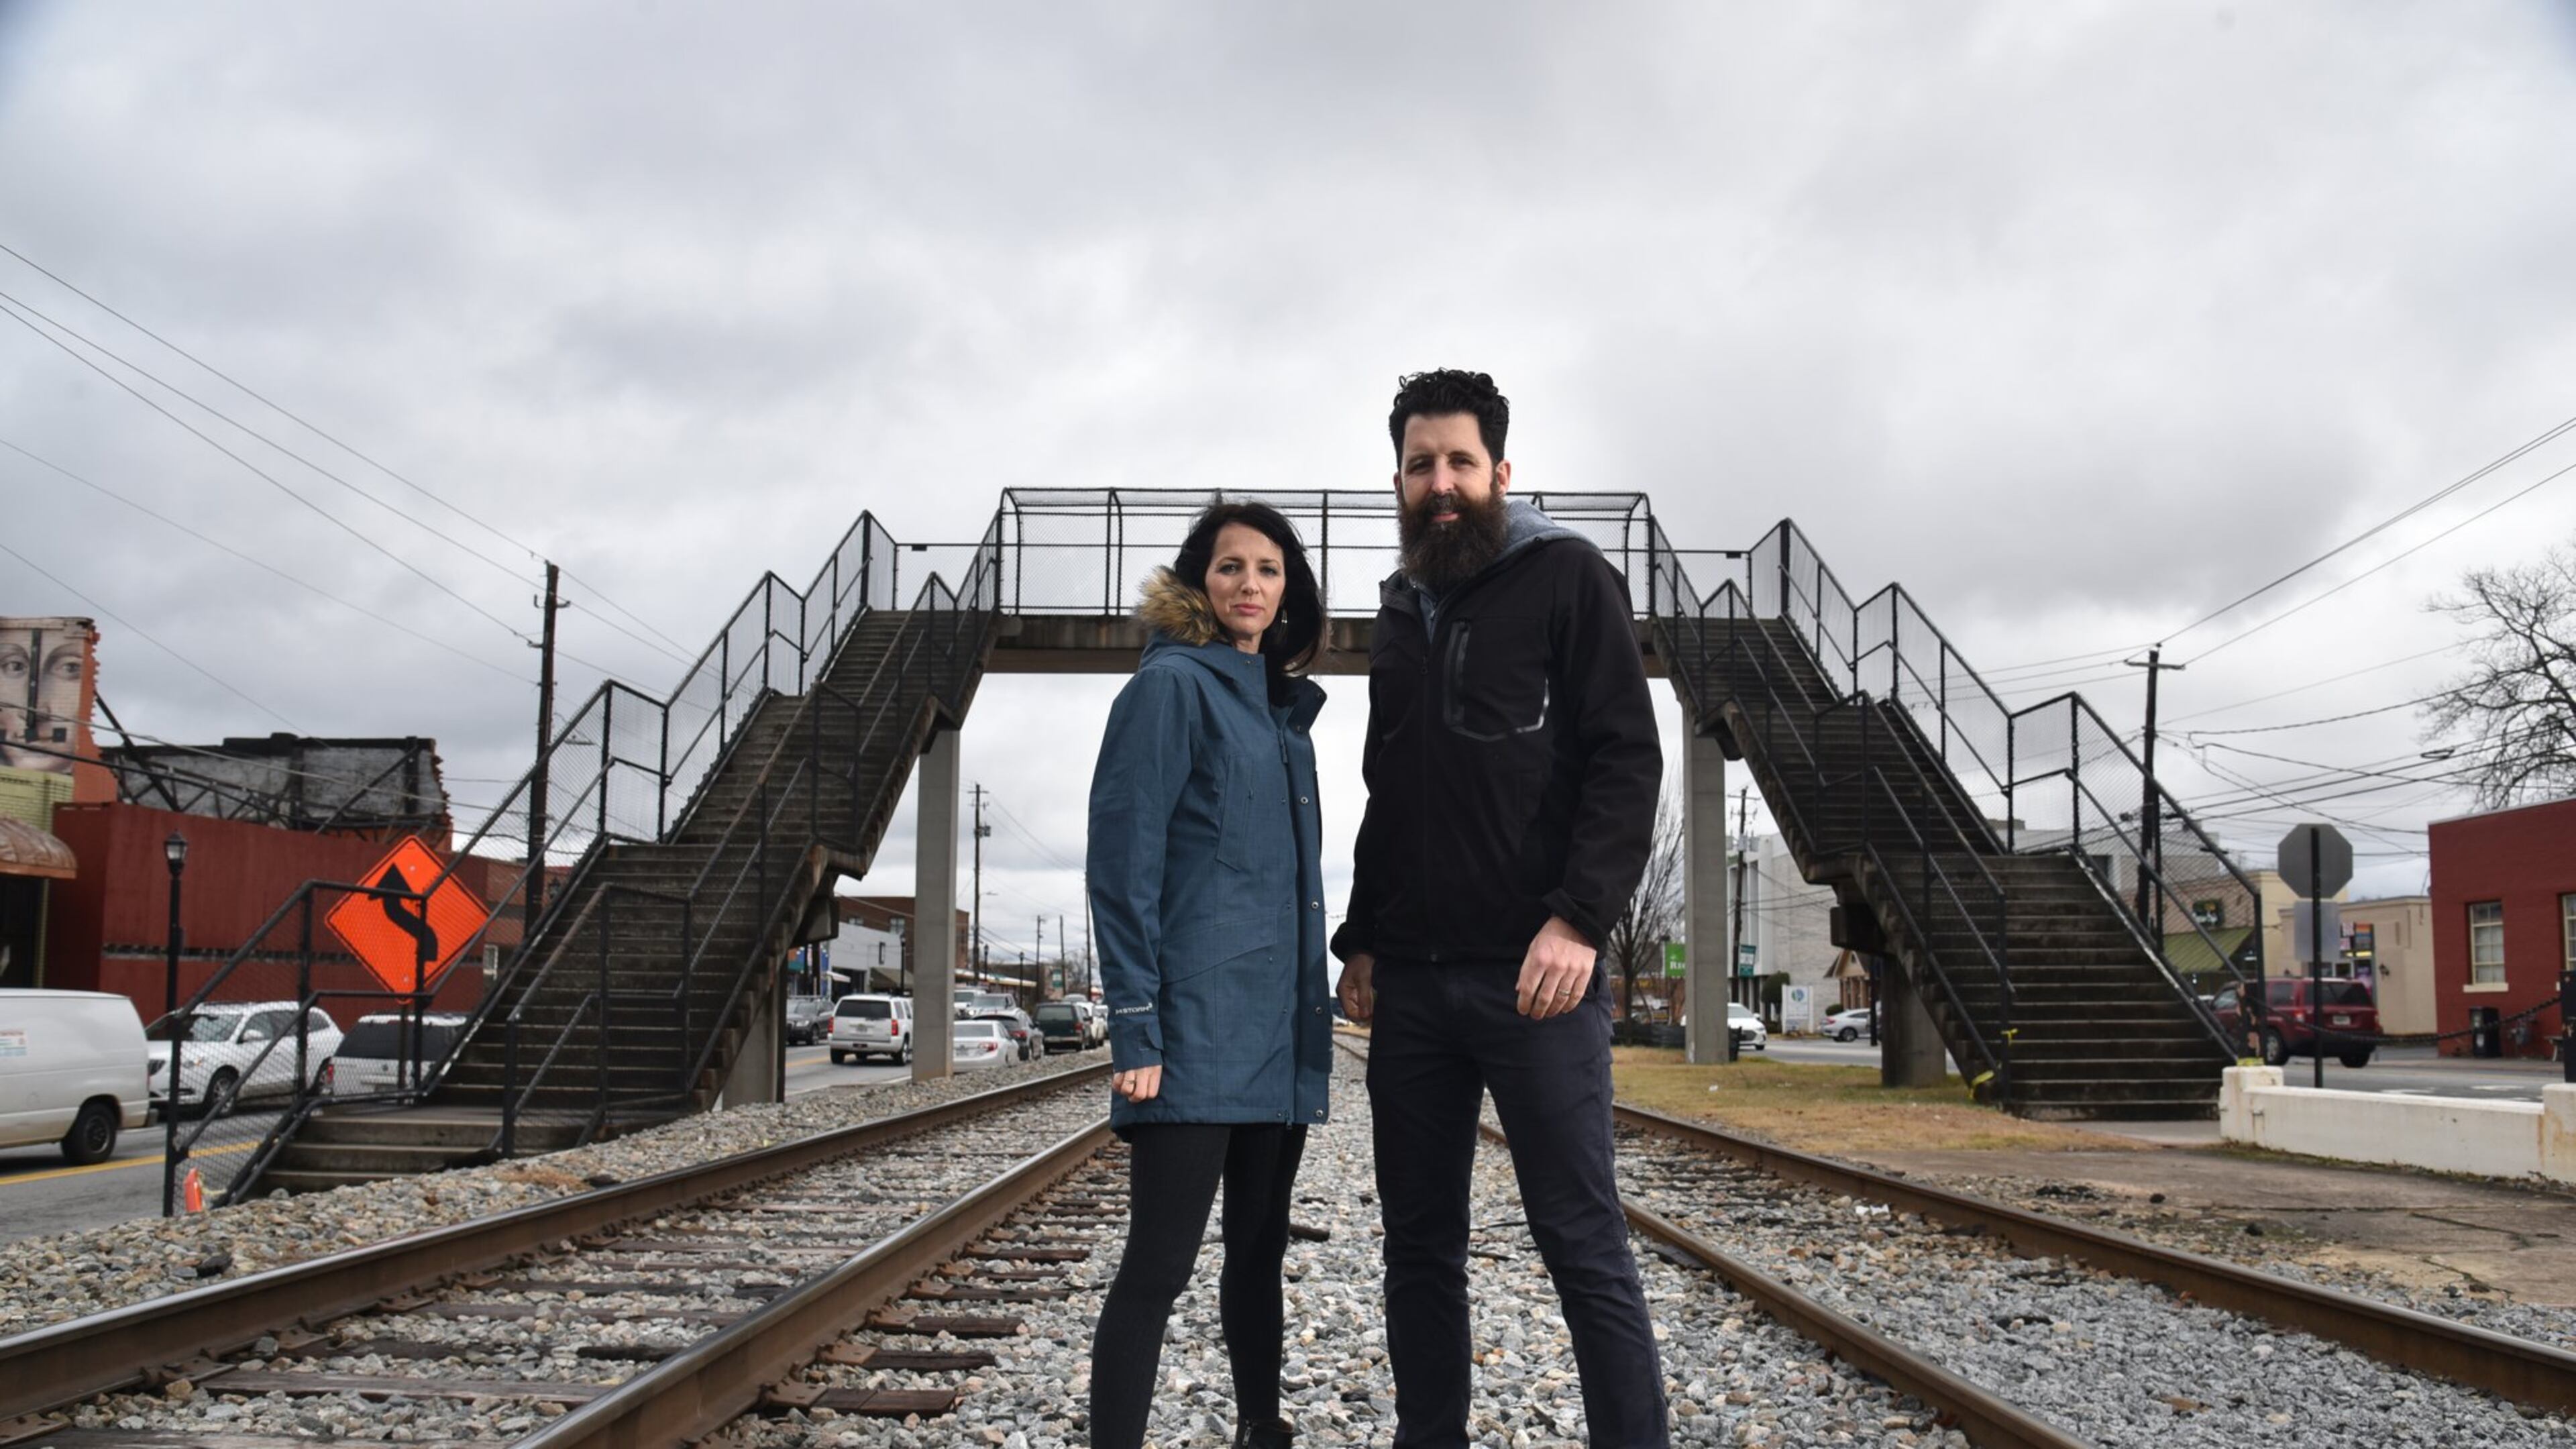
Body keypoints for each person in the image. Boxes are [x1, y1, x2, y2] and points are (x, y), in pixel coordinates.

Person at [1334, 370, 1669, 1448]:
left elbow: (1628, 754)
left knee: (1580, 1236)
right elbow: (1391, 783)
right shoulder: (1398, 609)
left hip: (1539, 978)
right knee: (1419, 1247)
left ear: (1502, 474)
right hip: (1417, 990)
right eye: (1422, 465)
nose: (1442, 484)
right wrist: (1363, 939)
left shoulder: (1568, 577)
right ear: (1398, 479)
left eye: (1461, 464)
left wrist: (1580, 919)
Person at [1086, 500, 1334, 1449]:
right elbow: (1122, 864)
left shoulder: (1278, 713)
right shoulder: (1169, 690)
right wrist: (1136, 1024)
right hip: (1193, 1040)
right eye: (1230, 567)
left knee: (1258, 1257)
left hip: (1277, 1040)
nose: (1250, 586)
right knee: (1157, 1267)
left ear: (1288, 591)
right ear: (1200, 582)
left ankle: (1260, 1430)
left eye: (1269, 570)